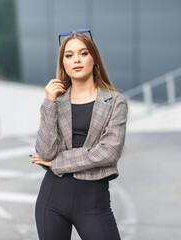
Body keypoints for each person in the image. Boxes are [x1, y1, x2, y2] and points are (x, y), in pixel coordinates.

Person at [30, 29, 128, 240]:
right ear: (63, 62)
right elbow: (46, 152)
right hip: (52, 199)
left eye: (83, 53)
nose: (76, 60)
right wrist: (49, 103)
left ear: (94, 59)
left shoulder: (115, 101)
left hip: (94, 203)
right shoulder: (56, 101)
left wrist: (58, 162)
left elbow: (109, 153)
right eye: (69, 55)